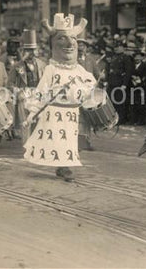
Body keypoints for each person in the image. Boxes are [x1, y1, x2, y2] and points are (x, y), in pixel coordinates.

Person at [24, 13, 96, 183]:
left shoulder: (78, 69)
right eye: (63, 38)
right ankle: (64, 166)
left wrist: (87, 92)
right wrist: (33, 111)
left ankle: (64, 165)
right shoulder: (51, 70)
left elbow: (90, 83)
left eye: (73, 39)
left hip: (72, 112)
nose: (70, 43)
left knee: (69, 140)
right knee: (57, 140)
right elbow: (41, 91)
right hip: (55, 111)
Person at [8, 30, 47, 143]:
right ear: (24, 51)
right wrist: (18, 92)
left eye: (33, 50)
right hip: (24, 95)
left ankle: (37, 145)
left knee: (38, 120)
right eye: (28, 50)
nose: (31, 53)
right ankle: (27, 147)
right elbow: (9, 84)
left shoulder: (42, 64)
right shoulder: (17, 66)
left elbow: (47, 82)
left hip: (38, 94)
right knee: (25, 121)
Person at [107, 39, 133, 125]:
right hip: (112, 83)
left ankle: (121, 119)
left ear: (123, 48)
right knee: (112, 102)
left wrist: (124, 84)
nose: (116, 48)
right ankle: (114, 119)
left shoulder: (126, 58)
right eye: (115, 47)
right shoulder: (114, 57)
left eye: (118, 47)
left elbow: (128, 72)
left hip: (120, 83)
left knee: (120, 102)